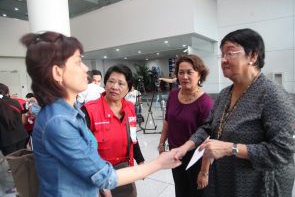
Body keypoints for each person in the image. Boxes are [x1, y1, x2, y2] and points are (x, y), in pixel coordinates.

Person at [21, 31, 181, 197]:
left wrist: (138, 161)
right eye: (78, 62)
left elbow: (130, 139)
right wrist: (159, 163)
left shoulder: (70, 112)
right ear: (57, 73)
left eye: (121, 83)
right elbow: (105, 177)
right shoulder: (59, 121)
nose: (86, 68)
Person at [175, 28, 295, 197]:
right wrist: (185, 147)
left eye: (230, 53)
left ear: (253, 56)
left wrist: (231, 149)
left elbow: (282, 152)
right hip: (225, 180)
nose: (223, 60)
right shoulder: (225, 94)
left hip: (256, 185)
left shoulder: (273, 95)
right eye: (222, 55)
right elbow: (208, 127)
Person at [83, 64, 145, 197]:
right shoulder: (89, 110)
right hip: (98, 173)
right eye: (111, 81)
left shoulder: (129, 108)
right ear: (105, 83)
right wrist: (101, 183)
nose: (115, 87)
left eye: (121, 83)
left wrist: (140, 161)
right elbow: (83, 151)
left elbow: (132, 137)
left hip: (124, 170)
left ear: (128, 88)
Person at [158, 54, 214, 197]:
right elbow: (167, 120)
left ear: (200, 75)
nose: (184, 76)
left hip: (196, 157)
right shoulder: (173, 94)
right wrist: (161, 143)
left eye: (190, 72)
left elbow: (208, 138)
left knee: (196, 192)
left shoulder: (206, 103)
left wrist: (204, 171)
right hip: (174, 153)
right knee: (181, 189)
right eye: (181, 72)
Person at [0, 83, 29, 156]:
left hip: (6, 140)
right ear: (7, 92)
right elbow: (23, 121)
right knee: (21, 159)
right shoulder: (16, 101)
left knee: (13, 162)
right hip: (22, 135)